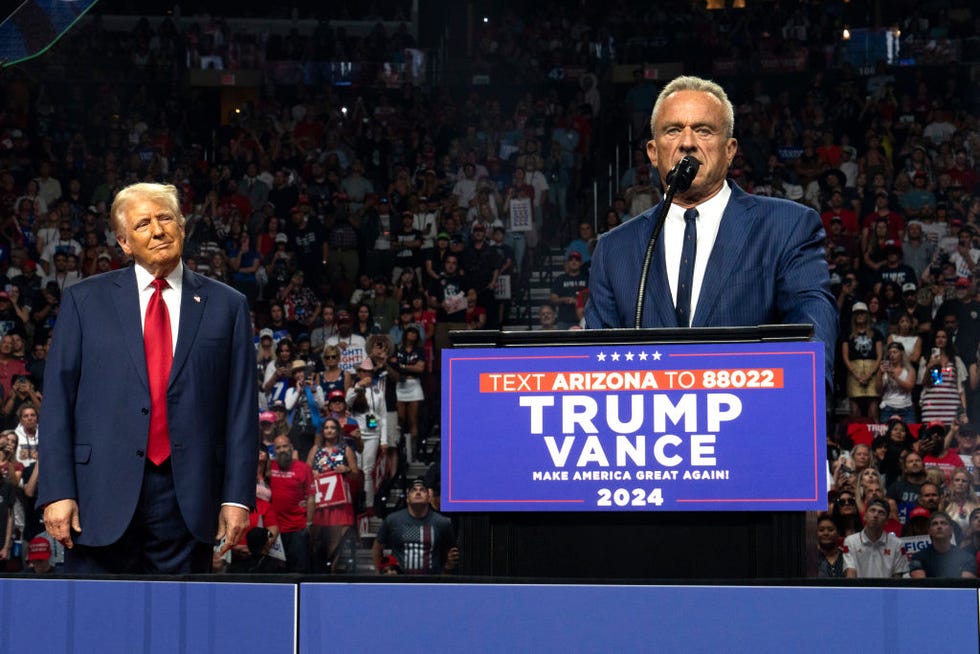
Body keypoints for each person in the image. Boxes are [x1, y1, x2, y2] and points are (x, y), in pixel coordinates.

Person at [38, 182, 256, 574]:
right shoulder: (84, 301)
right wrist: (57, 490)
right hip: (96, 497)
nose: (157, 230)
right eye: (143, 224)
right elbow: (56, 402)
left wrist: (237, 498)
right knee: (97, 626)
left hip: (189, 499)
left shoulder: (228, 306)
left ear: (183, 226)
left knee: (180, 628)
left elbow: (241, 410)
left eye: (165, 218)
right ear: (124, 242)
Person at [584, 75, 836, 387]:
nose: (687, 142)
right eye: (673, 130)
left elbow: (811, 335)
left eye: (703, 130)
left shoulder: (787, 227)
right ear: (652, 151)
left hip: (751, 427)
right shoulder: (614, 250)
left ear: (730, 150)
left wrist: (800, 405)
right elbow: (596, 371)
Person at [371, 476, 458, 575]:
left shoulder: (442, 522)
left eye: (422, 490)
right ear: (407, 498)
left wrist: (447, 568)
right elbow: (377, 548)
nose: (418, 492)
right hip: (400, 581)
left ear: (429, 497)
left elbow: (451, 552)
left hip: (431, 582)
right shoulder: (392, 520)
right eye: (413, 490)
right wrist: (380, 573)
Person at [305, 418, 358, 573]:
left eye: (333, 428)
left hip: (339, 499)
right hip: (320, 499)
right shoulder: (315, 449)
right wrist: (312, 472)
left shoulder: (346, 449)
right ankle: (316, 569)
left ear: (337, 431)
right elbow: (305, 471)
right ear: (322, 431)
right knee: (316, 536)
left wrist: (347, 469)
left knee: (336, 539)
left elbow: (356, 474)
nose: (329, 430)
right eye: (326, 427)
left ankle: (332, 571)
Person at [269, 435, 314, 573]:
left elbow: (311, 497)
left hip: (297, 528)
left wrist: (309, 523)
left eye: (285, 446)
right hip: (274, 529)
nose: (282, 450)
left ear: (291, 448)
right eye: (278, 447)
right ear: (274, 451)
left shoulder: (304, 468)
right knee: (276, 571)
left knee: (298, 570)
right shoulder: (270, 467)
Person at [842, 498, 909, 578]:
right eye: (872, 510)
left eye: (881, 513)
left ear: (887, 520)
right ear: (865, 516)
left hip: (887, 589)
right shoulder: (850, 541)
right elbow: (850, 574)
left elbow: (897, 577)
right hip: (860, 589)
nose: (876, 515)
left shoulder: (897, 544)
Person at [909, 512, 977, 578]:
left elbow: (965, 585)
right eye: (935, 524)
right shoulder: (918, 558)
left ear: (951, 530)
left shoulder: (967, 557)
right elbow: (921, 585)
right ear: (929, 531)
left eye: (943, 523)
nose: (939, 526)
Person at [815, 512, 845, 578]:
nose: (826, 533)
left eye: (830, 530)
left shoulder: (846, 557)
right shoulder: (811, 559)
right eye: (821, 530)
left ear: (838, 533)